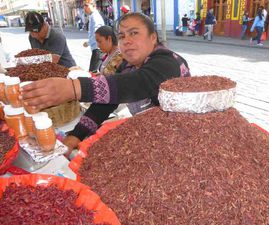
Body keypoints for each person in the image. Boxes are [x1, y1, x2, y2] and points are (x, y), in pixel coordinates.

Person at [20, 12, 190, 152]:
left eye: (134, 33)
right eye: (122, 36)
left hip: (181, 143)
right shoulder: (127, 66)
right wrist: (75, 136)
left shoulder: (168, 63)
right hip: (151, 138)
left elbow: (136, 84)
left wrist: (74, 88)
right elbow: (106, 101)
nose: (126, 41)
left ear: (153, 38)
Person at [63, 25, 123, 152]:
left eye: (100, 41)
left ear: (109, 39)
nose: (98, 45)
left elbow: (112, 88)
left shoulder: (120, 58)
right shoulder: (108, 55)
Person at [82, 0, 105, 73]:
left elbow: (98, 31)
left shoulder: (95, 15)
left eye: (86, 5)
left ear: (93, 6)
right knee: (101, 71)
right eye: (84, 6)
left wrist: (90, 42)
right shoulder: (92, 15)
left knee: (92, 72)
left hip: (98, 48)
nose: (85, 8)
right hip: (97, 47)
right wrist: (89, 42)